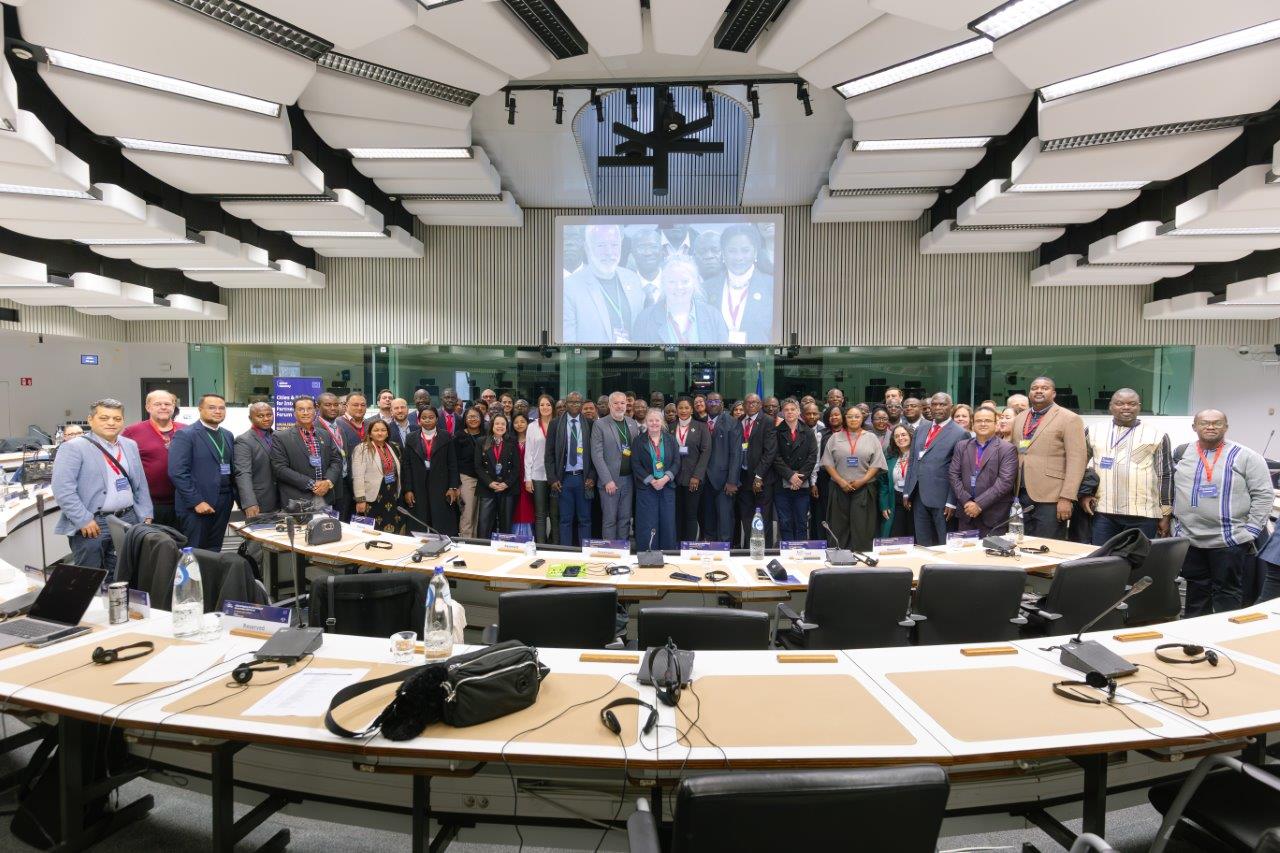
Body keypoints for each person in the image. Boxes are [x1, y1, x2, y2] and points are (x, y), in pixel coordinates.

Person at [1172, 409, 1273, 615]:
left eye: (1217, 423)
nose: (1210, 427)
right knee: (1196, 592)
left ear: (1226, 427)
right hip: (1191, 540)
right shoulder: (1182, 454)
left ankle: (1225, 638)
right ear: (1194, 427)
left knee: (1227, 594)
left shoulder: (1246, 456)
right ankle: (1194, 641)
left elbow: (1263, 495)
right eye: (1204, 423)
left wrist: (1251, 531)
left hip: (1229, 541)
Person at [52, 398, 153, 573]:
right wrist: (83, 519)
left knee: (123, 574)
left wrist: (146, 513)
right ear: (91, 420)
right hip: (93, 523)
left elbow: (140, 483)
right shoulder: (73, 448)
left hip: (128, 519)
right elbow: (63, 489)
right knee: (89, 578)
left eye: (117, 418)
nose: (111, 423)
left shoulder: (129, 445)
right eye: (104, 418)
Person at [1083, 388, 1173, 544]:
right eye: (1119, 403)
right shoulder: (1093, 431)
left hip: (1143, 514)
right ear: (1110, 406)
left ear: (1139, 407)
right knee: (1102, 562)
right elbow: (1078, 465)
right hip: (1104, 512)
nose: (1126, 407)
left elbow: (1165, 474)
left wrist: (1166, 514)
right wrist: (1083, 494)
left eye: (1132, 404)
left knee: (1138, 564)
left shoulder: (1157, 435)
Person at [1010, 377, 1086, 540]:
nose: (1038, 390)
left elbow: (1077, 461)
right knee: (1020, 544)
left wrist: (1067, 497)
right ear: (1029, 393)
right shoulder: (1020, 418)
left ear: (1054, 393)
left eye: (1044, 388)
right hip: (1020, 494)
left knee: (1047, 547)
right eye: (1034, 388)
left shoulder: (1069, 418)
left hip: (1051, 498)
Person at [168, 393, 235, 550]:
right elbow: (177, 472)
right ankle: (191, 576)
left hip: (224, 501)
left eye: (221, 408)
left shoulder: (227, 435)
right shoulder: (186, 435)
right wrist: (196, 501)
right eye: (211, 408)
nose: (217, 411)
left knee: (215, 549)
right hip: (197, 505)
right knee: (194, 551)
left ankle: (210, 576)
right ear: (200, 409)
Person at [902, 393, 967, 546]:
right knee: (922, 542)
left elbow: (959, 471)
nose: (938, 407)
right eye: (935, 404)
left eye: (942, 404)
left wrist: (952, 502)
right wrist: (907, 491)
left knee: (944, 542)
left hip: (943, 499)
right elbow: (912, 461)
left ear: (951, 407)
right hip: (918, 496)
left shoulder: (960, 433)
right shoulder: (921, 429)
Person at [563, 223, 645, 344]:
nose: (609, 252)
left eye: (614, 244)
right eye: (601, 245)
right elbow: (568, 344)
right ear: (587, 248)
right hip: (593, 361)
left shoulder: (633, 279)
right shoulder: (569, 287)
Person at [820, 406, 886, 551]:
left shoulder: (871, 437)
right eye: (850, 416)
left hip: (864, 488)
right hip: (839, 487)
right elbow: (828, 463)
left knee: (862, 526)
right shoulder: (835, 437)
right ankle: (838, 557)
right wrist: (840, 481)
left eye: (857, 416)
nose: (853, 419)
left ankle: (862, 558)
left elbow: (876, 464)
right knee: (838, 526)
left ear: (862, 419)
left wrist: (863, 480)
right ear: (845, 418)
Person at [948, 407, 1018, 536]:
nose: (983, 424)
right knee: (964, 554)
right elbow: (953, 475)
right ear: (973, 424)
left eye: (987, 420)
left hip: (994, 515)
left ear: (996, 424)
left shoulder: (1007, 449)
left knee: (992, 554)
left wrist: (979, 504)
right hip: (966, 512)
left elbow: (1005, 482)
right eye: (979, 420)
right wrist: (967, 501)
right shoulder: (962, 446)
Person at [121, 390, 182, 528]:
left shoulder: (186, 430)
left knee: (182, 545)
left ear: (173, 407)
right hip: (148, 505)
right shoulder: (132, 432)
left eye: (167, 403)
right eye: (158, 404)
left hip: (182, 502)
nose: (163, 407)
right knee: (153, 547)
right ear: (148, 407)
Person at [704, 224, 774, 344]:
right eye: (732, 251)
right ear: (723, 254)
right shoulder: (707, 288)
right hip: (716, 358)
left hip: (759, 359)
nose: (739, 257)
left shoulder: (772, 286)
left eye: (745, 250)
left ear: (755, 252)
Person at [270, 396, 343, 510]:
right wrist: (312, 484)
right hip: (297, 499)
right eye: (301, 409)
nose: (305, 413)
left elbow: (336, 460)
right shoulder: (281, 437)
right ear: (294, 413)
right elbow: (279, 468)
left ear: (315, 411)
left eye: (309, 409)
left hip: (325, 497)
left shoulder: (325, 434)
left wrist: (327, 482)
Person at [545, 391, 595, 546]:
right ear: (565, 404)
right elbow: (549, 454)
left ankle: (584, 551)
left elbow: (595, 454)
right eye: (571, 402)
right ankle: (566, 552)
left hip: (583, 478)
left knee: (585, 519)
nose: (574, 405)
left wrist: (592, 476)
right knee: (565, 519)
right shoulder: (555, 423)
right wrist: (552, 478)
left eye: (578, 402)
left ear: (582, 405)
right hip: (564, 479)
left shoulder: (590, 424)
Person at [402, 406, 460, 536]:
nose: (427, 420)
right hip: (418, 484)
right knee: (419, 518)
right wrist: (408, 489)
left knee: (441, 518)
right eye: (424, 418)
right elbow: (406, 466)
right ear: (418, 420)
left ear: (437, 419)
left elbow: (452, 463)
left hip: (441, 483)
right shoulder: (411, 438)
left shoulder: (446, 436)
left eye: (431, 417)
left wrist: (453, 486)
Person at [590, 392, 639, 541]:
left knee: (625, 520)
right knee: (610, 520)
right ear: (610, 405)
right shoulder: (600, 424)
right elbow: (597, 455)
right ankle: (610, 553)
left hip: (629, 480)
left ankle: (623, 551)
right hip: (610, 481)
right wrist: (607, 481)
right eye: (616, 403)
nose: (619, 406)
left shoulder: (631, 423)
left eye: (622, 403)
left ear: (626, 405)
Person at [632, 409, 681, 550]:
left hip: (667, 487)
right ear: (646, 422)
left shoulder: (670, 439)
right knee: (647, 523)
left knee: (667, 523)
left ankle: (668, 554)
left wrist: (665, 478)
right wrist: (652, 480)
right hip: (647, 488)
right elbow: (635, 464)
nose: (654, 423)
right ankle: (648, 554)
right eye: (651, 420)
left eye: (657, 420)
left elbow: (677, 462)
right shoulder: (638, 441)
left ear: (662, 422)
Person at [736, 393, 778, 547]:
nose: (751, 405)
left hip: (762, 479)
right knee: (746, 517)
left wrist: (759, 476)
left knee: (763, 518)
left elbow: (770, 452)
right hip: (743, 477)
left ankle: (764, 550)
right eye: (748, 402)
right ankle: (749, 548)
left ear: (760, 405)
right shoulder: (739, 421)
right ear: (744, 405)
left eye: (755, 402)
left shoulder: (767, 421)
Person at [773, 399, 817, 542]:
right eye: (786, 410)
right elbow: (775, 456)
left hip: (801, 485)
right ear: (782, 412)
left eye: (793, 409)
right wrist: (790, 475)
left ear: (799, 412)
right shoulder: (777, 431)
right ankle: (787, 552)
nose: (790, 412)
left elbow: (812, 457)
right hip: (782, 483)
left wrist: (799, 479)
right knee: (785, 521)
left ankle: (801, 552)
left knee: (801, 522)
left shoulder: (809, 432)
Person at [350, 420, 407, 534]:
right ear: (370, 433)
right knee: (373, 529)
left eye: (383, 430)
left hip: (392, 494)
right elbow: (358, 476)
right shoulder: (362, 449)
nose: (380, 433)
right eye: (376, 430)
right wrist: (360, 499)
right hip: (373, 496)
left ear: (387, 433)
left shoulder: (392, 446)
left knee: (391, 525)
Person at [699, 392, 742, 542]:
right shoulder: (700, 422)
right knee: (708, 518)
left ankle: (725, 552)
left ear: (722, 404)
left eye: (716, 401)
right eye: (710, 401)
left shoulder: (732, 422)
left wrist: (732, 481)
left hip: (724, 481)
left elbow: (736, 454)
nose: (713, 404)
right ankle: (709, 550)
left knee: (725, 520)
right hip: (704, 480)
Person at [672, 396, 711, 542]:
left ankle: (687, 546)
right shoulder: (669, 427)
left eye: (686, 408)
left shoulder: (701, 427)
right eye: (680, 408)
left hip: (693, 479)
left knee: (690, 514)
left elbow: (706, 451)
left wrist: (697, 476)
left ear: (692, 410)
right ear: (676, 410)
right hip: (673, 479)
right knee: (676, 514)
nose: (683, 410)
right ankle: (676, 545)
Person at [233, 402, 278, 520]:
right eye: (260, 416)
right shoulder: (244, 440)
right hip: (259, 500)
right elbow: (243, 473)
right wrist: (249, 502)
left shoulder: (279, 436)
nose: (266, 419)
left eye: (269, 414)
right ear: (250, 418)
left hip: (282, 499)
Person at [477, 413, 519, 537]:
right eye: (497, 423)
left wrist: (506, 484)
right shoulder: (482, 441)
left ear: (507, 426)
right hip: (487, 487)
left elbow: (516, 467)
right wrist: (490, 483)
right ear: (492, 425)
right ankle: (484, 549)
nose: (500, 426)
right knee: (484, 524)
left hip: (507, 488)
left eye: (503, 424)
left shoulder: (512, 442)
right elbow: (478, 466)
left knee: (506, 524)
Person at [524, 394, 556, 543]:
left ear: (553, 407)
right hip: (537, 475)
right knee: (540, 514)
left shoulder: (558, 424)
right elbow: (528, 453)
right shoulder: (532, 426)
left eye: (548, 404)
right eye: (542, 405)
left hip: (555, 476)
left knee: (556, 514)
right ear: (538, 407)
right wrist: (528, 478)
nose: (545, 407)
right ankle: (541, 545)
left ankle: (556, 545)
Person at [316, 392, 352, 520]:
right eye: (328, 405)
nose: (333, 408)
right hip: (325, 486)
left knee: (343, 523)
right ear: (318, 407)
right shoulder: (314, 428)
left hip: (343, 484)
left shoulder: (340, 427)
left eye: (336, 405)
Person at [877, 423, 914, 539]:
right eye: (897, 436)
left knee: (914, 535)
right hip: (895, 500)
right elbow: (883, 483)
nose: (900, 438)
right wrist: (884, 504)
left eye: (904, 434)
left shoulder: (918, 456)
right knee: (896, 536)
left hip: (914, 501)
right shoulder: (890, 457)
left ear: (911, 436)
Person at [455, 407, 485, 538]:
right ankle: (466, 542)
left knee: (480, 515)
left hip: (485, 480)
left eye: (476, 416)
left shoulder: (487, 435)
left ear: (481, 418)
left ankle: (477, 543)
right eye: (470, 417)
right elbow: (453, 461)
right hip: (467, 479)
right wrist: (456, 485)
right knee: (468, 513)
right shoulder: (459, 436)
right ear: (465, 419)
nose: (473, 419)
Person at [511, 413, 536, 540]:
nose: (519, 424)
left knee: (528, 507)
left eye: (522, 421)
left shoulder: (533, 439)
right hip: (514, 480)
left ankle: (529, 537)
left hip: (529, 479)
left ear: (528, 423)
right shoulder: (510, 440)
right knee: (515, 508)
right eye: (516, 422)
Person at [629, 226, 663, 307]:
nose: (648, 253)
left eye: (654, 247)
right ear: (632, 252)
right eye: (641, 247)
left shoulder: (675, 283)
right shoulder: (623, 286)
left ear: (662, 250)